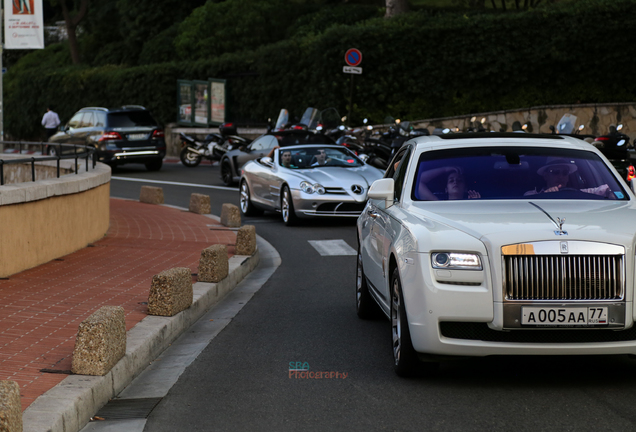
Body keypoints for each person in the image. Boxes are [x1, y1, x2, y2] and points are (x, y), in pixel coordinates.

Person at [524, 157, 614, 198]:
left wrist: (610, 192)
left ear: (568, 177)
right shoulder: (532, 194)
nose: (561, 176)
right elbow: (525, 201)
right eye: (555, 172)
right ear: (546, 175)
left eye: (565, 172)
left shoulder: (579, 194)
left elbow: (606, 188)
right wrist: (546, 195)